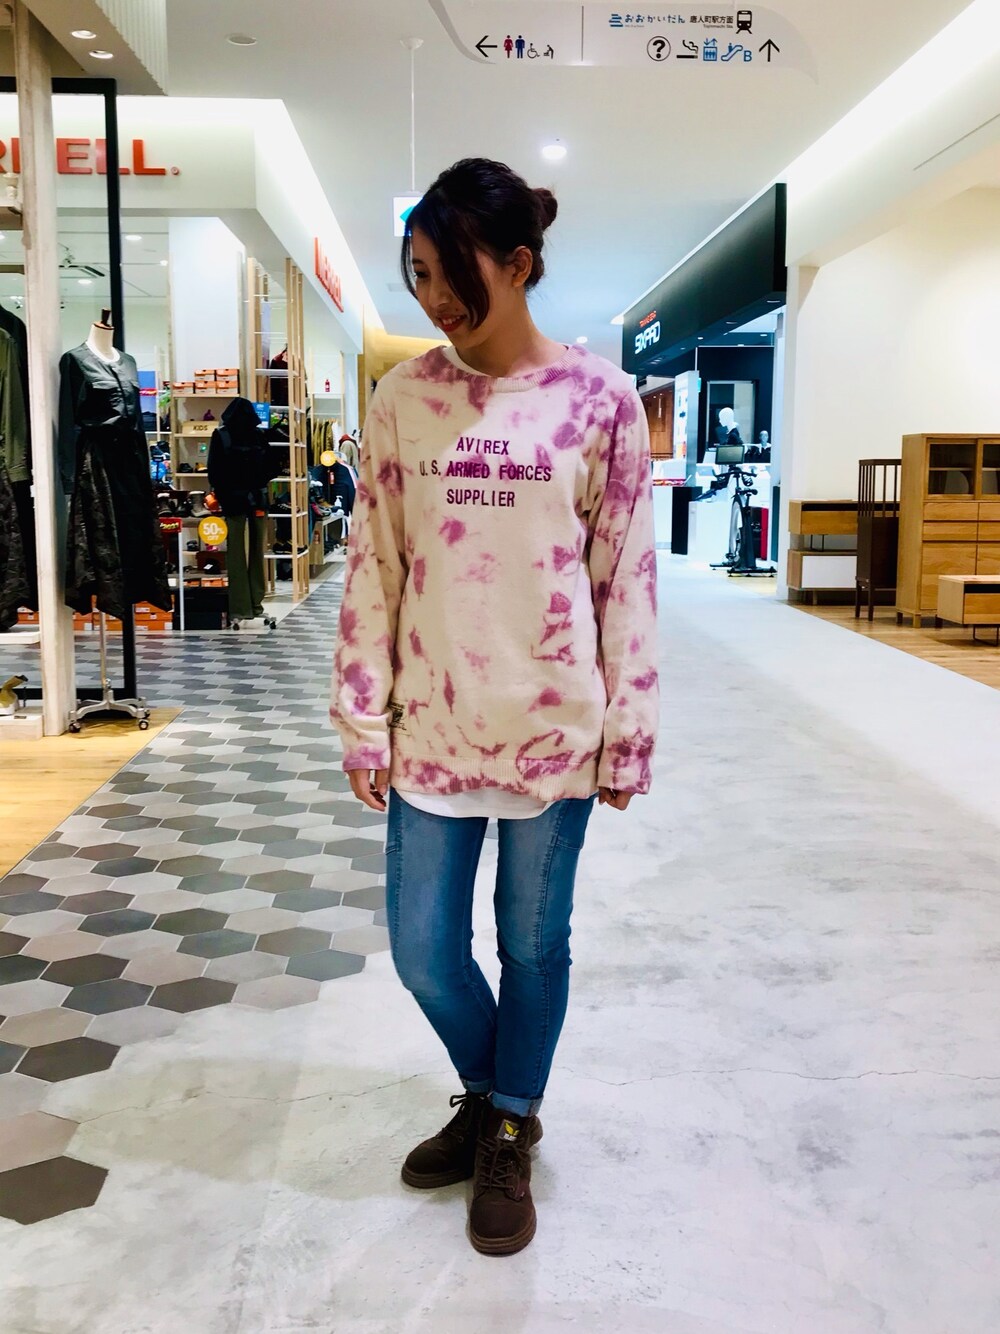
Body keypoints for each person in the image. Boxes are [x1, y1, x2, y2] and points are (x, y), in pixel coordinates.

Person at [330, 158, 659, 1257]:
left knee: (532, 942)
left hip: (552, 727)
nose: (431, 297)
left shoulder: (600, 401)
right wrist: (361, 713)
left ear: (518, 265)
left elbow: (623, 576)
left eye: (450, 273)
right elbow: (375, 565)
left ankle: (508, 1120)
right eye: (417, 273)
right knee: (423, 949)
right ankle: (493, 1091)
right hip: (431, 721)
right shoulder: (403, 401)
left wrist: (629, 731)